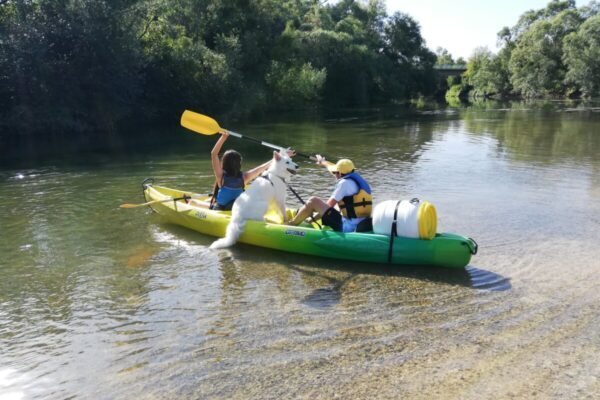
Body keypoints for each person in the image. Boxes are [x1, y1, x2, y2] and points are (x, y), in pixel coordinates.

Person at [190, 131, 293, 210]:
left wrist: (223, 137)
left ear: (224, 163)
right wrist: (282, 155)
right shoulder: (245, 177)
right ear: (239, 164)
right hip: (230, 209)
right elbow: (264, 166)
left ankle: (191, 202)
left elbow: (214, 154)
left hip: (224, 208)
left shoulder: (220, 176)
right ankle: (199, 201)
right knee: (209, 202)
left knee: (200, 203)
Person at [287, 156, 373, 232]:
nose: (334, 174)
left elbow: (329, 205)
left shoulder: (344, 183)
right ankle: (307, 217)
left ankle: (291, 224)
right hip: (361, 223)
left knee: (313, 201)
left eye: (335, 172)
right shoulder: (358, 182)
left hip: (347, 227)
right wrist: (323, 162)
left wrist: (312, 218)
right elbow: (333, 169)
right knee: (335, 205)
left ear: (339, 173)